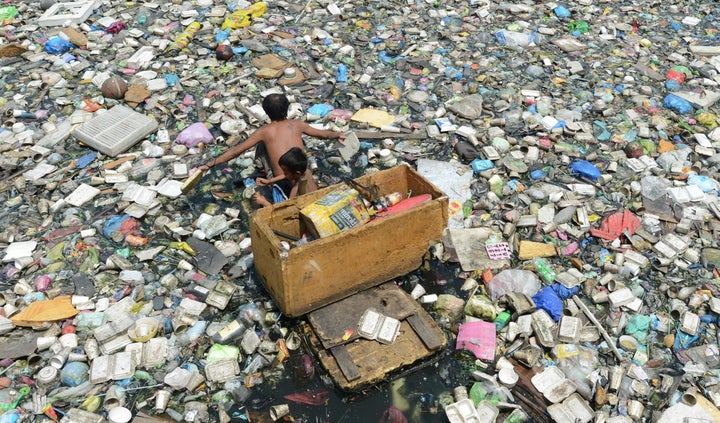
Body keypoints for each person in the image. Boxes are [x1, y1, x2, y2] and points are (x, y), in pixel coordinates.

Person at [198, 93, 344, 193]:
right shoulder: (297, 124)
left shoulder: (264, 131)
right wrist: (338, 134)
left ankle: (265, 171)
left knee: (262, 145)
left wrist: (210, 164)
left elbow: (237, 151)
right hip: (299, 173)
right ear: (287, 109)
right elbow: (322, 134)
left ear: (266, 112)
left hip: (282, 180)